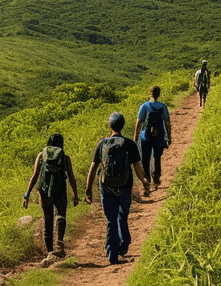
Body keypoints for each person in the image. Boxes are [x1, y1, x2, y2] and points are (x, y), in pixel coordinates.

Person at [84, 112, 151, 265]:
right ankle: (123, 244)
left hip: (106, 187)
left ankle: (112, 255)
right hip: (125, 187)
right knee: (123, 216)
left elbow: (93, 168)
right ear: (122, 125)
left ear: (110, 126)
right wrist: (145, 181)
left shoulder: (102, 144)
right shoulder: (129, 144)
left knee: (111, 221)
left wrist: (88, 189)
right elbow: (138, 167)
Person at [23, 133, 80, 258]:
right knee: (61, 215)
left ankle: (50, 253)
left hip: (44, 191)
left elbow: (35, 176)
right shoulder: (65, 158)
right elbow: (71, 177)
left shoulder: (41, 155)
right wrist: (76, 194)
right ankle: (59, 245)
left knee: (47, 219)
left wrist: (27, 195)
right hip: (60, 190)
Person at [134, 85, 171, 189]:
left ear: (150, 94)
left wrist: (135, 136)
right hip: (159, 136)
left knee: (145, 158)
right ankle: (156, 177)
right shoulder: (163, 106)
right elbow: (167, 123)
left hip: (145, 136)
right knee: (157, 157)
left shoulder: (144, 106)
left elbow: (138, 122)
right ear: (158, 95)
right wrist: (169, 136)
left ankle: (147, 180)